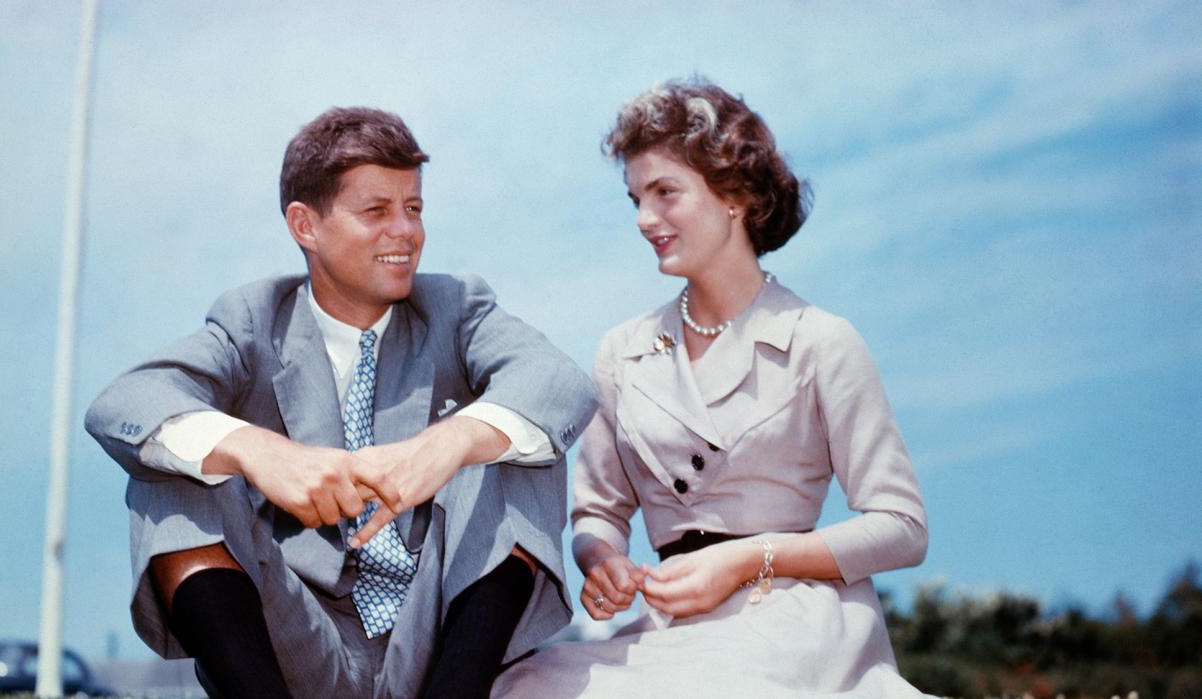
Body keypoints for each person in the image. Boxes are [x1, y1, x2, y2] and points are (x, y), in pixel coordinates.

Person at [85, 106, 597, 699]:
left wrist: (450, 442)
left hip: (439, 642)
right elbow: (123, 402)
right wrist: (258, 450)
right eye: (376, 211)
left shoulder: (456, 308)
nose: (405, 231)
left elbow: (558, 381)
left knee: (510, 443)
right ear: (305, 225)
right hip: (297, 645)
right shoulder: (253, 322)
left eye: (414, 208)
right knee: (175, 461)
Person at [493, 78, 931, 697]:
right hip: (671, 628)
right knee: (523, 687)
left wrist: (746, 560)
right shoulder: (621, 354)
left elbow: (902, 527)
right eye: (636, 199)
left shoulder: (821, 341)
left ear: (736, 196)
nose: (646, 219)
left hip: (795, 626)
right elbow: (598, 511)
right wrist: (602, 561)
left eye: (666, 193)